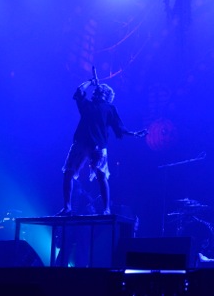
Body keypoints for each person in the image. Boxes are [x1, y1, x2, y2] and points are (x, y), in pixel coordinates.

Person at [57, 76, 147, 216]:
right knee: (69, 173)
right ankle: (67, 207)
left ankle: (106, 209)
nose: (93, 92)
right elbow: (79, 91)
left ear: (104, 94)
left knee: (101, 176)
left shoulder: (109, 108)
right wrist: (91, 82)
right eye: (94, 91)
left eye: (97, 91)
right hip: (81, 142)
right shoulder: (87, 105)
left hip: (97, 145)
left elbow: (119, 127)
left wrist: (133, 134)